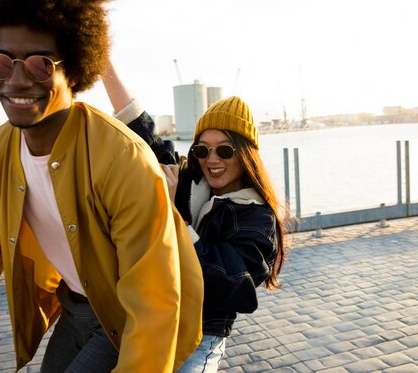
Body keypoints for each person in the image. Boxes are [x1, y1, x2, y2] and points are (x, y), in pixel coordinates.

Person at [0, 0, 204, 372]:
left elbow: (154, 298)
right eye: (1, 61)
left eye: (41, 63)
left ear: (75, 68)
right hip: (75, 307)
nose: (18, 80)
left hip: (129, 317)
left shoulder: (122, 158)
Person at [103, 62, 286, 372]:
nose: (212, 160)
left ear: (245, 154)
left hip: (201, 337)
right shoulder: (189, 179)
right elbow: (139, 127)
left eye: (225, 151)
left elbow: (228, 283)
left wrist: (173, 215)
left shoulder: (258, 218)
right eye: (203, 150)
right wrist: (101, 63)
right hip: (153, 323)